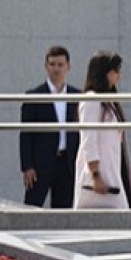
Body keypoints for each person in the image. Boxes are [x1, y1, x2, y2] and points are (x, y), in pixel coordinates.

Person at [20, 46, 82, 209]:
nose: (56, 69)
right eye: (52, 64)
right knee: (31, 209)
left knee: (64, 212)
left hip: (67, 162)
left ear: (68, 67)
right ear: (46, 66)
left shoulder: (78, 96)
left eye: (60, 65)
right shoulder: (34, 96)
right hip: (41, 163)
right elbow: (26, 134)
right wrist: (27, 166)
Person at [73, 52, 131, 210]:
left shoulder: (109, 102)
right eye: (115, 70)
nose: (119, 75)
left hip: (111, 171)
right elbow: (88, 140)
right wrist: (95, 175)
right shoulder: (92, 100)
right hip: (98, 176)